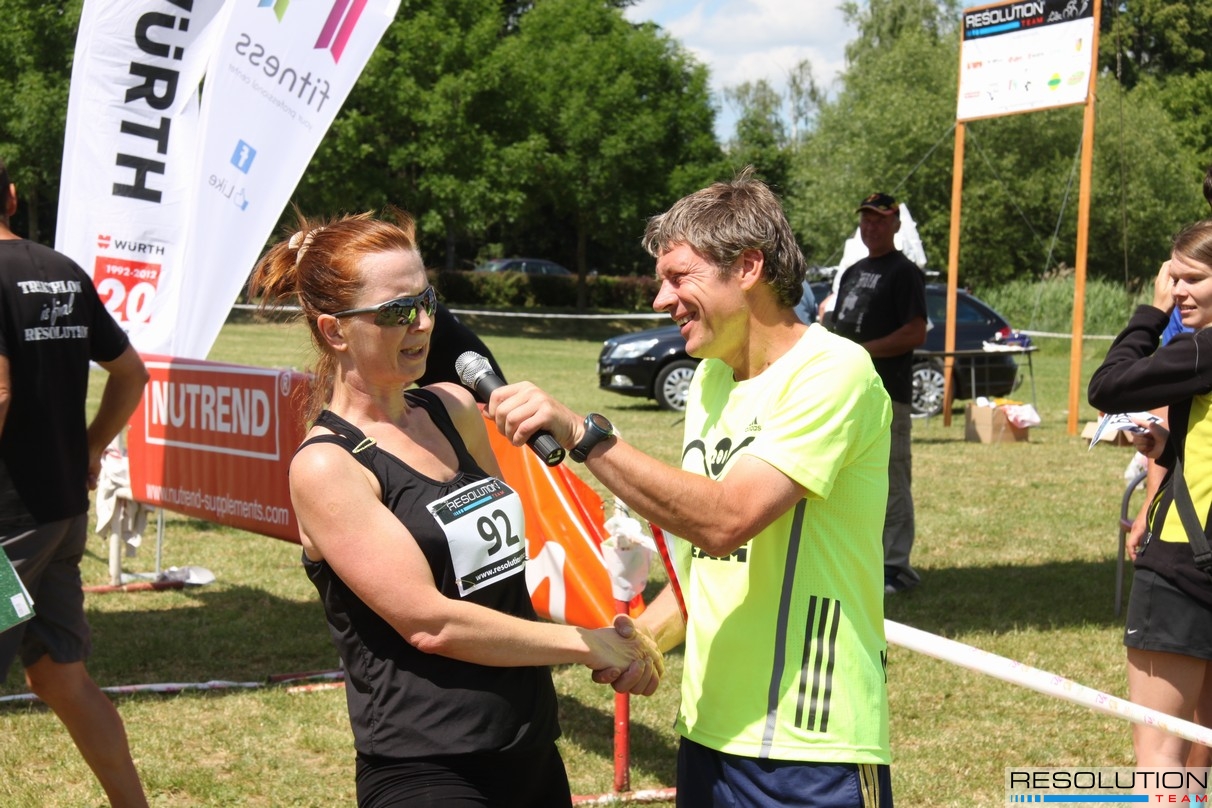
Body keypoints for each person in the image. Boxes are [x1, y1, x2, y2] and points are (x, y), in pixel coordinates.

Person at [486, 169, 894, 807]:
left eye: (679, 277)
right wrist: (643, 639)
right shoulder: (710, 380)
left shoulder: (835, 370)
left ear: (748, 267)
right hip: (708, 731)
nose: (661, 300)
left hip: (812, 744)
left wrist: (584, 436)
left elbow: (726, 520)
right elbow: (704, 565)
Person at [248, 208, 663, 808]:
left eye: (427, 300)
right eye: (397, 311)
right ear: (336, 331)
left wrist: (614, 644)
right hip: (428, 767)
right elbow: (431, 622)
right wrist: (586, 643)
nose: (423, 323)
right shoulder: (327, 466)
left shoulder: (455, 408)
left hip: (527, 742)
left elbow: (497, 573)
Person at [0, 158, 150, 807]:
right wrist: (87, 447)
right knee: (61, 678)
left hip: (8, 527)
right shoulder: (60, 270)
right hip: (59, 516)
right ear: (11, 196)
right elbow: (131, 374)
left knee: (62, 678)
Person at [1087, 219, 1212, 772]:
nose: (1178, 290)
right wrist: (1170, 445)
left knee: (1161, 759)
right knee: (1203, 753)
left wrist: (1152, 313)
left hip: (1185, 564)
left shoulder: (1201, 349)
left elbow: (1107, 386)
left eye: (1192, 279)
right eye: (1173, 279)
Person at [829, 192, 927, 595]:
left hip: (887, 394)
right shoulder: (853, 271)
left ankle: (895, 566)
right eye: (866, 219)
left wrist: (861, 352)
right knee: (849, 478)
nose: (872, 227)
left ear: (896, 225)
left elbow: (915, 331)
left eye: (880, 220)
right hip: (845, 393)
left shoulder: (905, 273)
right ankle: (862, 560)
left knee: (892, 477)